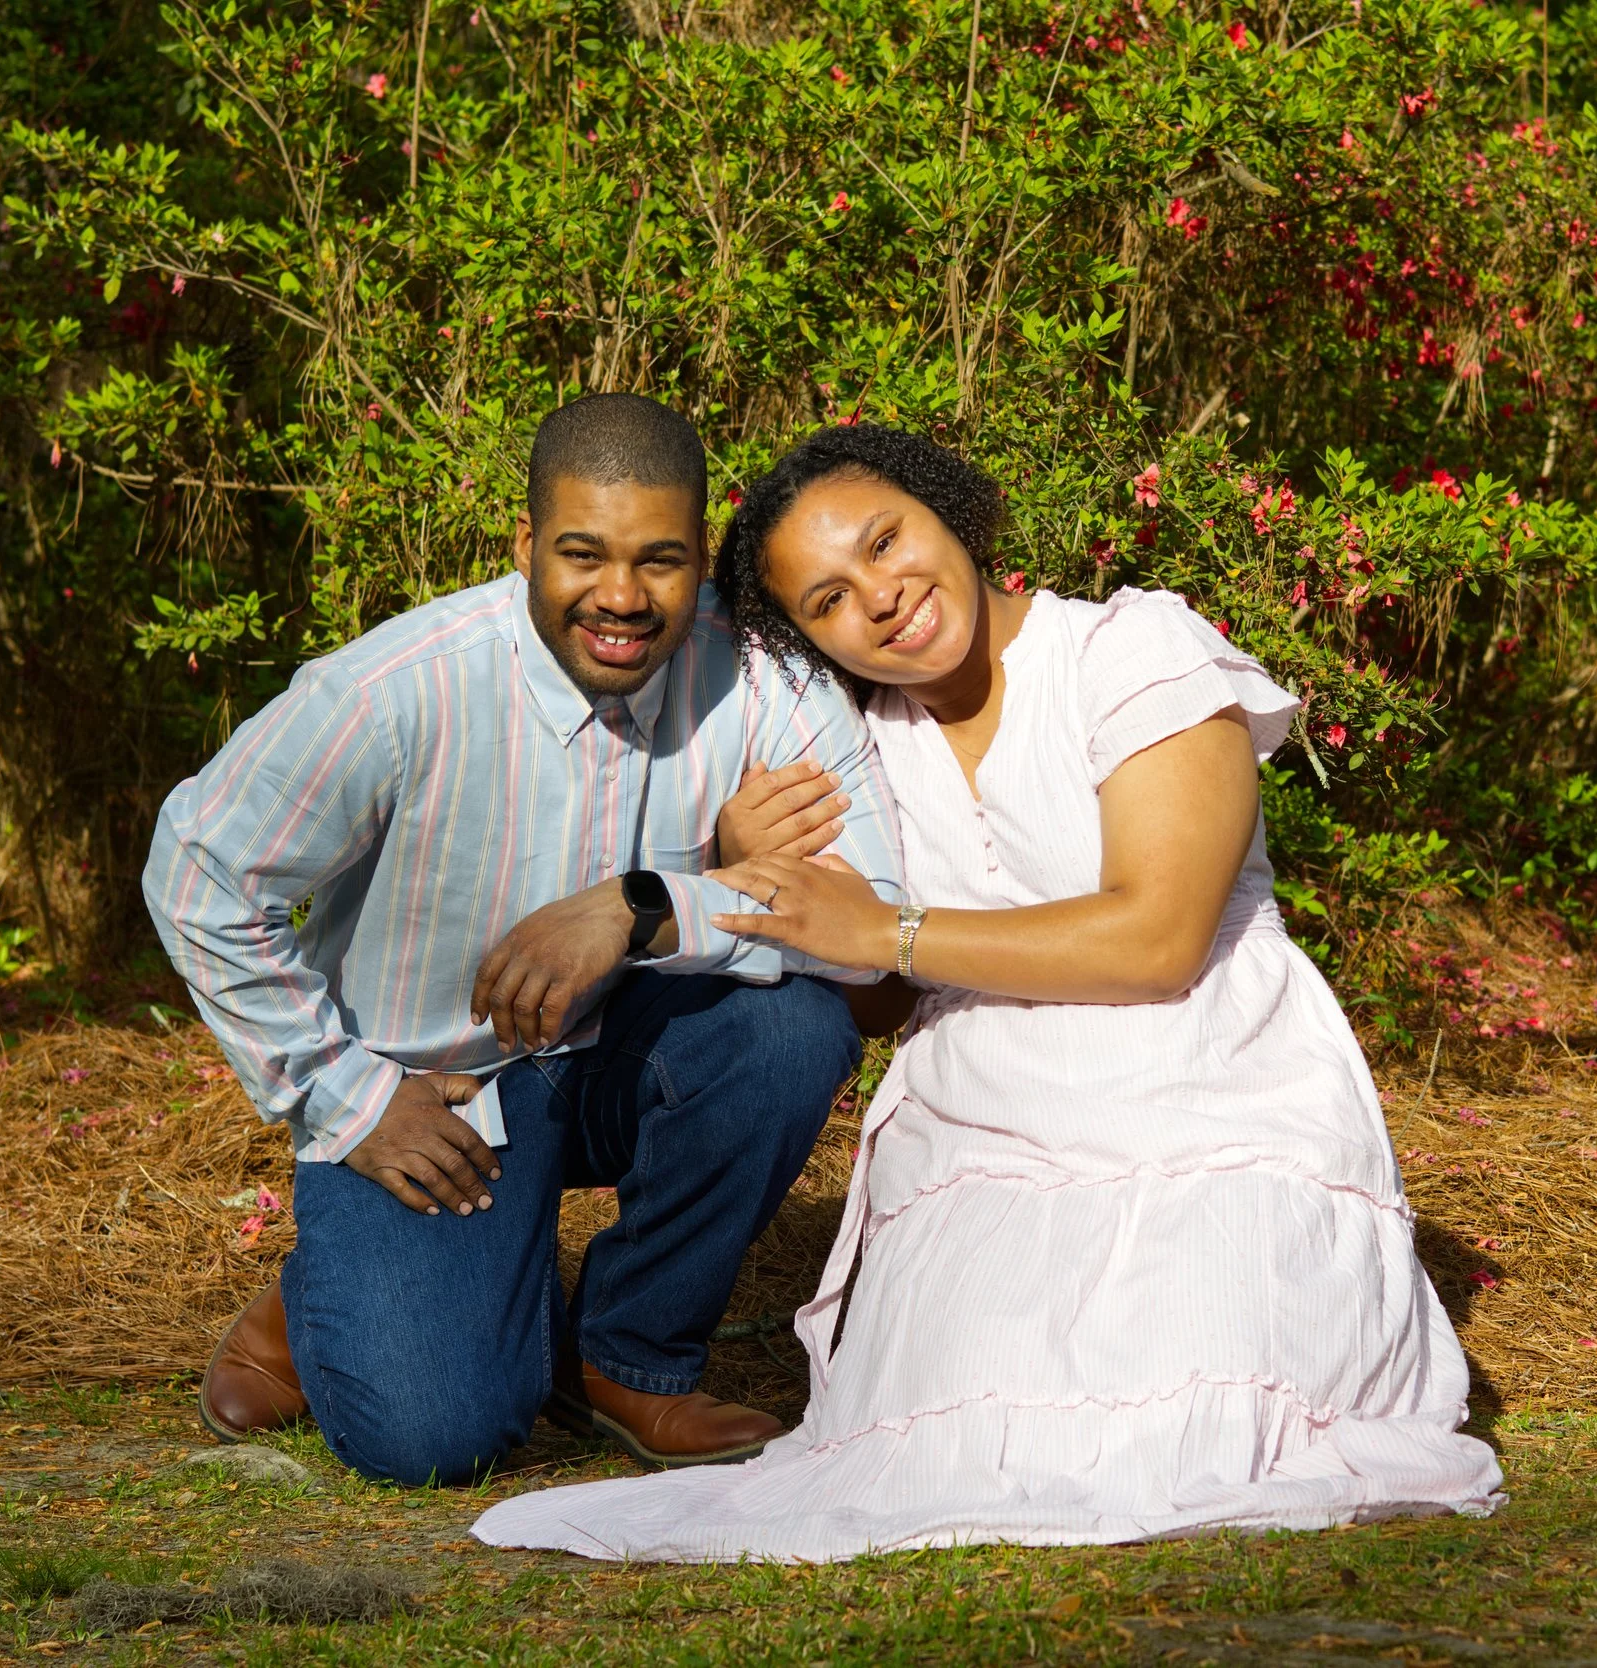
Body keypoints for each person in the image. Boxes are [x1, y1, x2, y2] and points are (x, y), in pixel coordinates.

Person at [473, 426, 1502, 1561]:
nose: (881, 597)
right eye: (827, 598)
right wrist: (739, 866)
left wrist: (886, 926)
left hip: (1210, 1087)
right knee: (965, 1439)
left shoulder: (1132, 650)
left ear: (945, 508)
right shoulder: (856, 745)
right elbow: (867, 1005)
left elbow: (1159, 939)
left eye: (884, 540)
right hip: (984, 1123)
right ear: (807, 635)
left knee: (1207, 1408)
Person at [143, 394, 904, 1485]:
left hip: (628, 1055)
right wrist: (345, 1094)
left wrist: (649, 902)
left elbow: (870, 924)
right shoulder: (397, 689)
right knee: (434, 1438)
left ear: (702, 553)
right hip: (433, 1093)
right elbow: (198, 868)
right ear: (526, 545)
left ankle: (629, 1357)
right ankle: (322, 1299)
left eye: (662, 562)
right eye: (582, 555)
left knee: (787, 1032)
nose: (622, 598)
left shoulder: (766, 682)